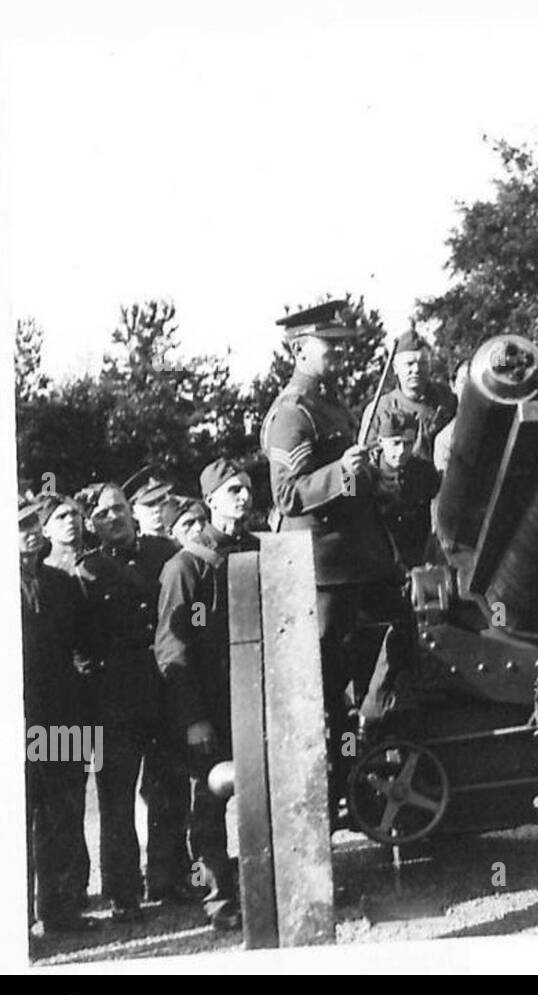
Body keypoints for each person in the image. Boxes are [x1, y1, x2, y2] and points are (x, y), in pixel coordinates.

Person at [260, 299, 404, 810]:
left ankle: (369, 765)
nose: (341, 354)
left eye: (343, 345)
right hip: (326, 573)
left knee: (398, 647)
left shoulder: (332, 405)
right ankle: (326, 797)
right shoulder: (292, 414)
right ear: (300, 350)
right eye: (331, 346)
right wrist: (343, 470)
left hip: (363, 562)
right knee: (325, 691)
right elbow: (287, 495)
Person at [154, 458, 259, 930]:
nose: (243, 496)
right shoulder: (186, 566)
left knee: (264, 797)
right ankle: (219, 901)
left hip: (257, 701)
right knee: (209, 807)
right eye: (233, 489)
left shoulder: (259, 551)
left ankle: (265, 889)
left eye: (247, 488)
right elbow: (171, 650)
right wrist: (194, 718)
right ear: (211, 501)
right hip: (210, 708)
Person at [77, 483, 179, 921]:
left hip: (165, 691)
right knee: (116, 801)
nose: (113, 518)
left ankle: (170, 878)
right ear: (90, 524)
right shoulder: (87, 573)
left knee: (170, 789)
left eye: (118, 508)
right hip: (115, 703)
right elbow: (79, 643)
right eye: (102, 514)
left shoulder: (165, 554)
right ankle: (123, 893)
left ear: (131, 511)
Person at [21, 501, 94, 934]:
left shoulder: (61, 584)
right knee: (17, 814)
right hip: (18, 717)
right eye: (20, 526)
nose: (31, 532)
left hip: (61, 717)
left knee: (62, 813)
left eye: (33, 523)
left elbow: (83, 646)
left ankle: (60, 910)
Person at [362, 330, 457, 464]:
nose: (417, 369)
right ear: (395, 367)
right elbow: (366, 457)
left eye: (423, 363)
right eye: (409, 364)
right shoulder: (379, 408)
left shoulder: (447, 397)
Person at [372, 408, 441, 568]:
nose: (402, 451)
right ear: (381, 441)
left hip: (420, 559)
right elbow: (348, 504)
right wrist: (347, 472)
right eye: (395, 443)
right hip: (378, 562)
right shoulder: (364, 473)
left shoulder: (425, 471)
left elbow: (439, 509)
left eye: (408, 443)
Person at [39, 494, 87, 575]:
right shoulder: (44, 572)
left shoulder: (100, 561)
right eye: (61, 517)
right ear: (45, 531)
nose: (70, 520)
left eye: (74, 513)